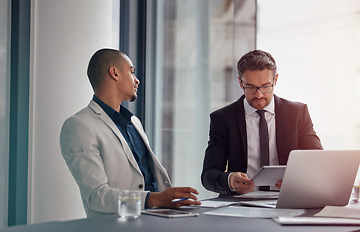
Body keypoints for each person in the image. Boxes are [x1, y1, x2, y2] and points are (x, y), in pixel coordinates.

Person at [60, 48, 201, 217]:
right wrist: (153, 199)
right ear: (114, 73)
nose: (137, 80)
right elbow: (96, 195)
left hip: (159, 218)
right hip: (118, 225)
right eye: (132, 72)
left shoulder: (134, 122)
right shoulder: (79, 125)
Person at [201, 49, 323, 195]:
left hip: (287, 198)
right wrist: (230, 180)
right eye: (251, 87)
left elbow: (318, 161)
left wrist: (298, 180)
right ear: (240, 83)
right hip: (240, 203)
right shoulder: (222, 119)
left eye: (266, 86)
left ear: (275, 80)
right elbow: (208, 175)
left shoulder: (297, 113)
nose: (259, 95)